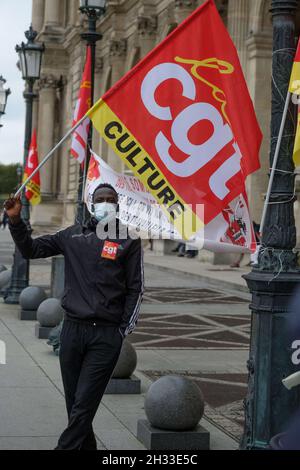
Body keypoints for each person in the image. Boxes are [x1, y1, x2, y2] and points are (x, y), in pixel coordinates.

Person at [4, 183, 144, 450]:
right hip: (72, 331)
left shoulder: (129, 239)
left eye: (111, 199)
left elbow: (136, 287)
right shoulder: (72, 235)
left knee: (83, 405)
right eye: (100, 199)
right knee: (76, 406)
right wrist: (15, 220)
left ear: (118, 204)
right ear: (91, 204)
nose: (105, 203)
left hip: (106, 335)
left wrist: (121, 331)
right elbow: (31, 250)